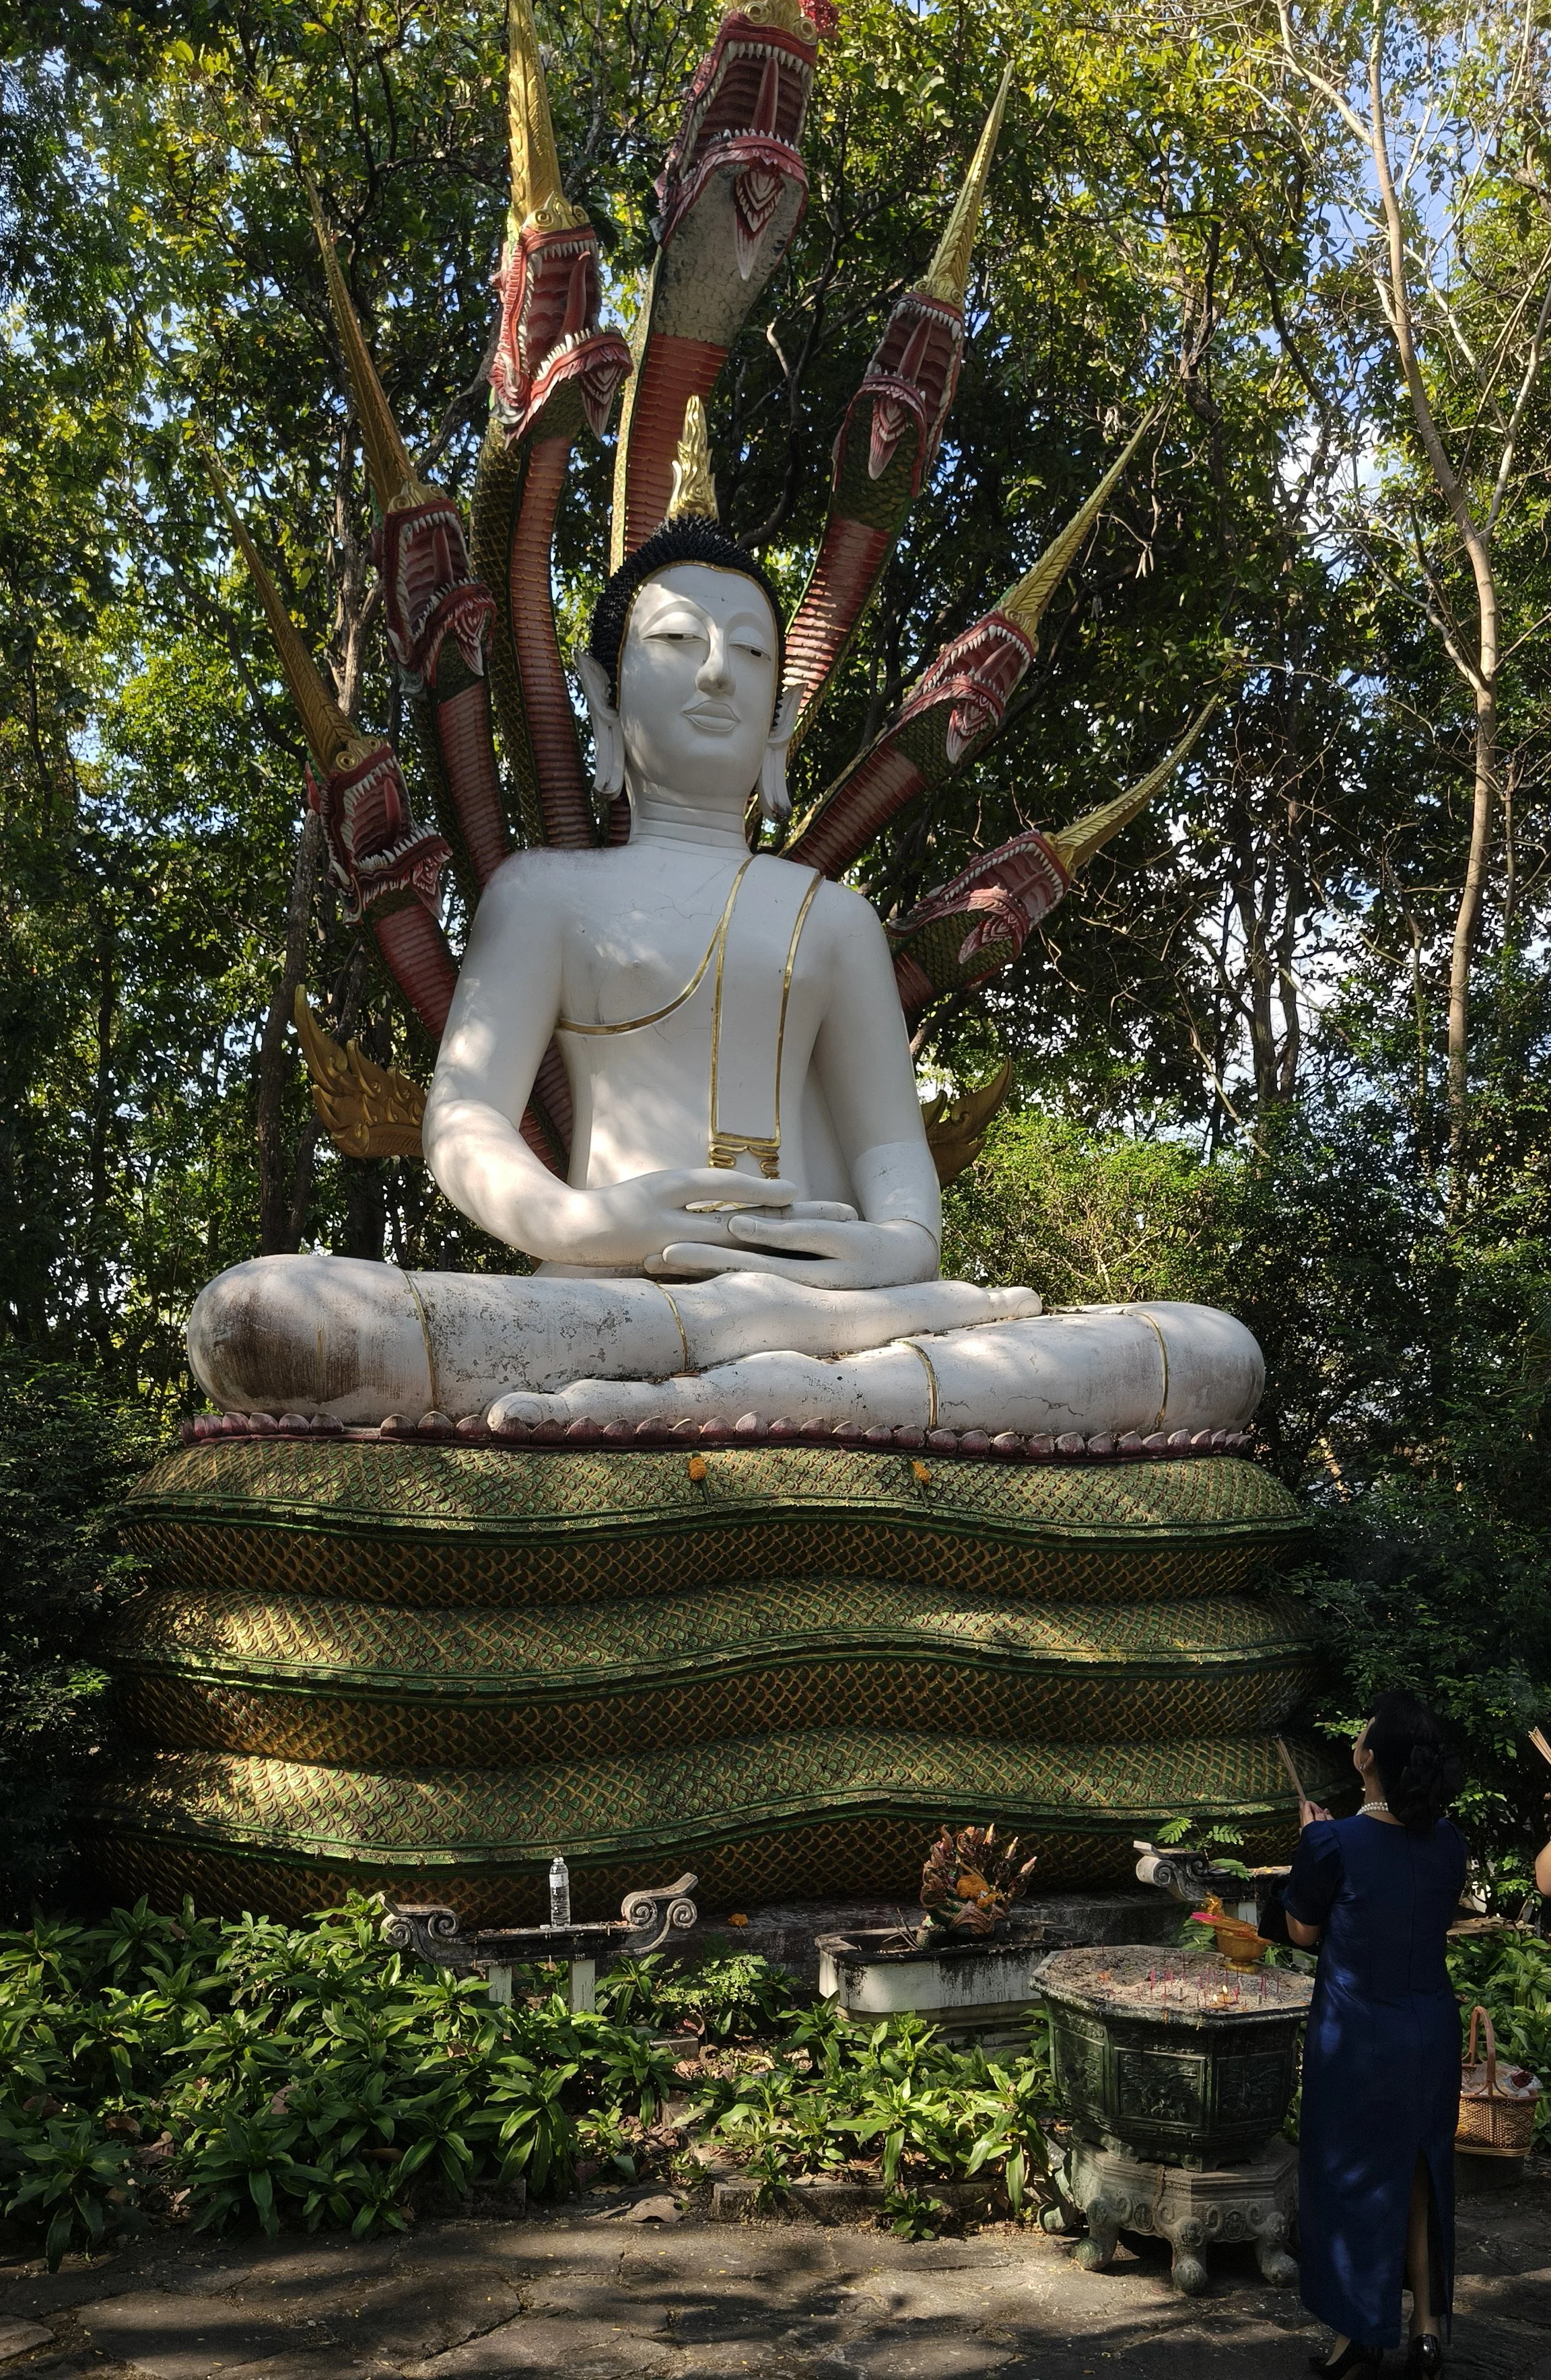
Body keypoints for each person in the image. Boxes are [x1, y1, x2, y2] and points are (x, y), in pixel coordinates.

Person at [186, 508, 1263, 1436]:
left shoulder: (833, 921)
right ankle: (766, 1382)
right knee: (269, 1320)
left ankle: (723, 1384)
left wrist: (893, 1254)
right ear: (602, 698)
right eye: (678, 640)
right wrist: (581, 1224)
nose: (716, 671)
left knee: (1205, 1351)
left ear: (781, 720)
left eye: (751, 654)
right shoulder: (541, 893)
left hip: (842, 1310)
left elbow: (893, 1153)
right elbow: (464, 1122)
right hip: (604, 1303)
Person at [1274, 1693, 1466, 2375]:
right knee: (1417, 2170)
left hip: (1357, 2034)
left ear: (1367, 1759)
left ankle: (1357, 2335)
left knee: (1353, 2176)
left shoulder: (1331, 1841)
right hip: (1429, 2029)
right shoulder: (1448, 1841)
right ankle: (1426, 2330)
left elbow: (1302, 1929)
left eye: (1359, 1737)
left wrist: (1310, 1839)